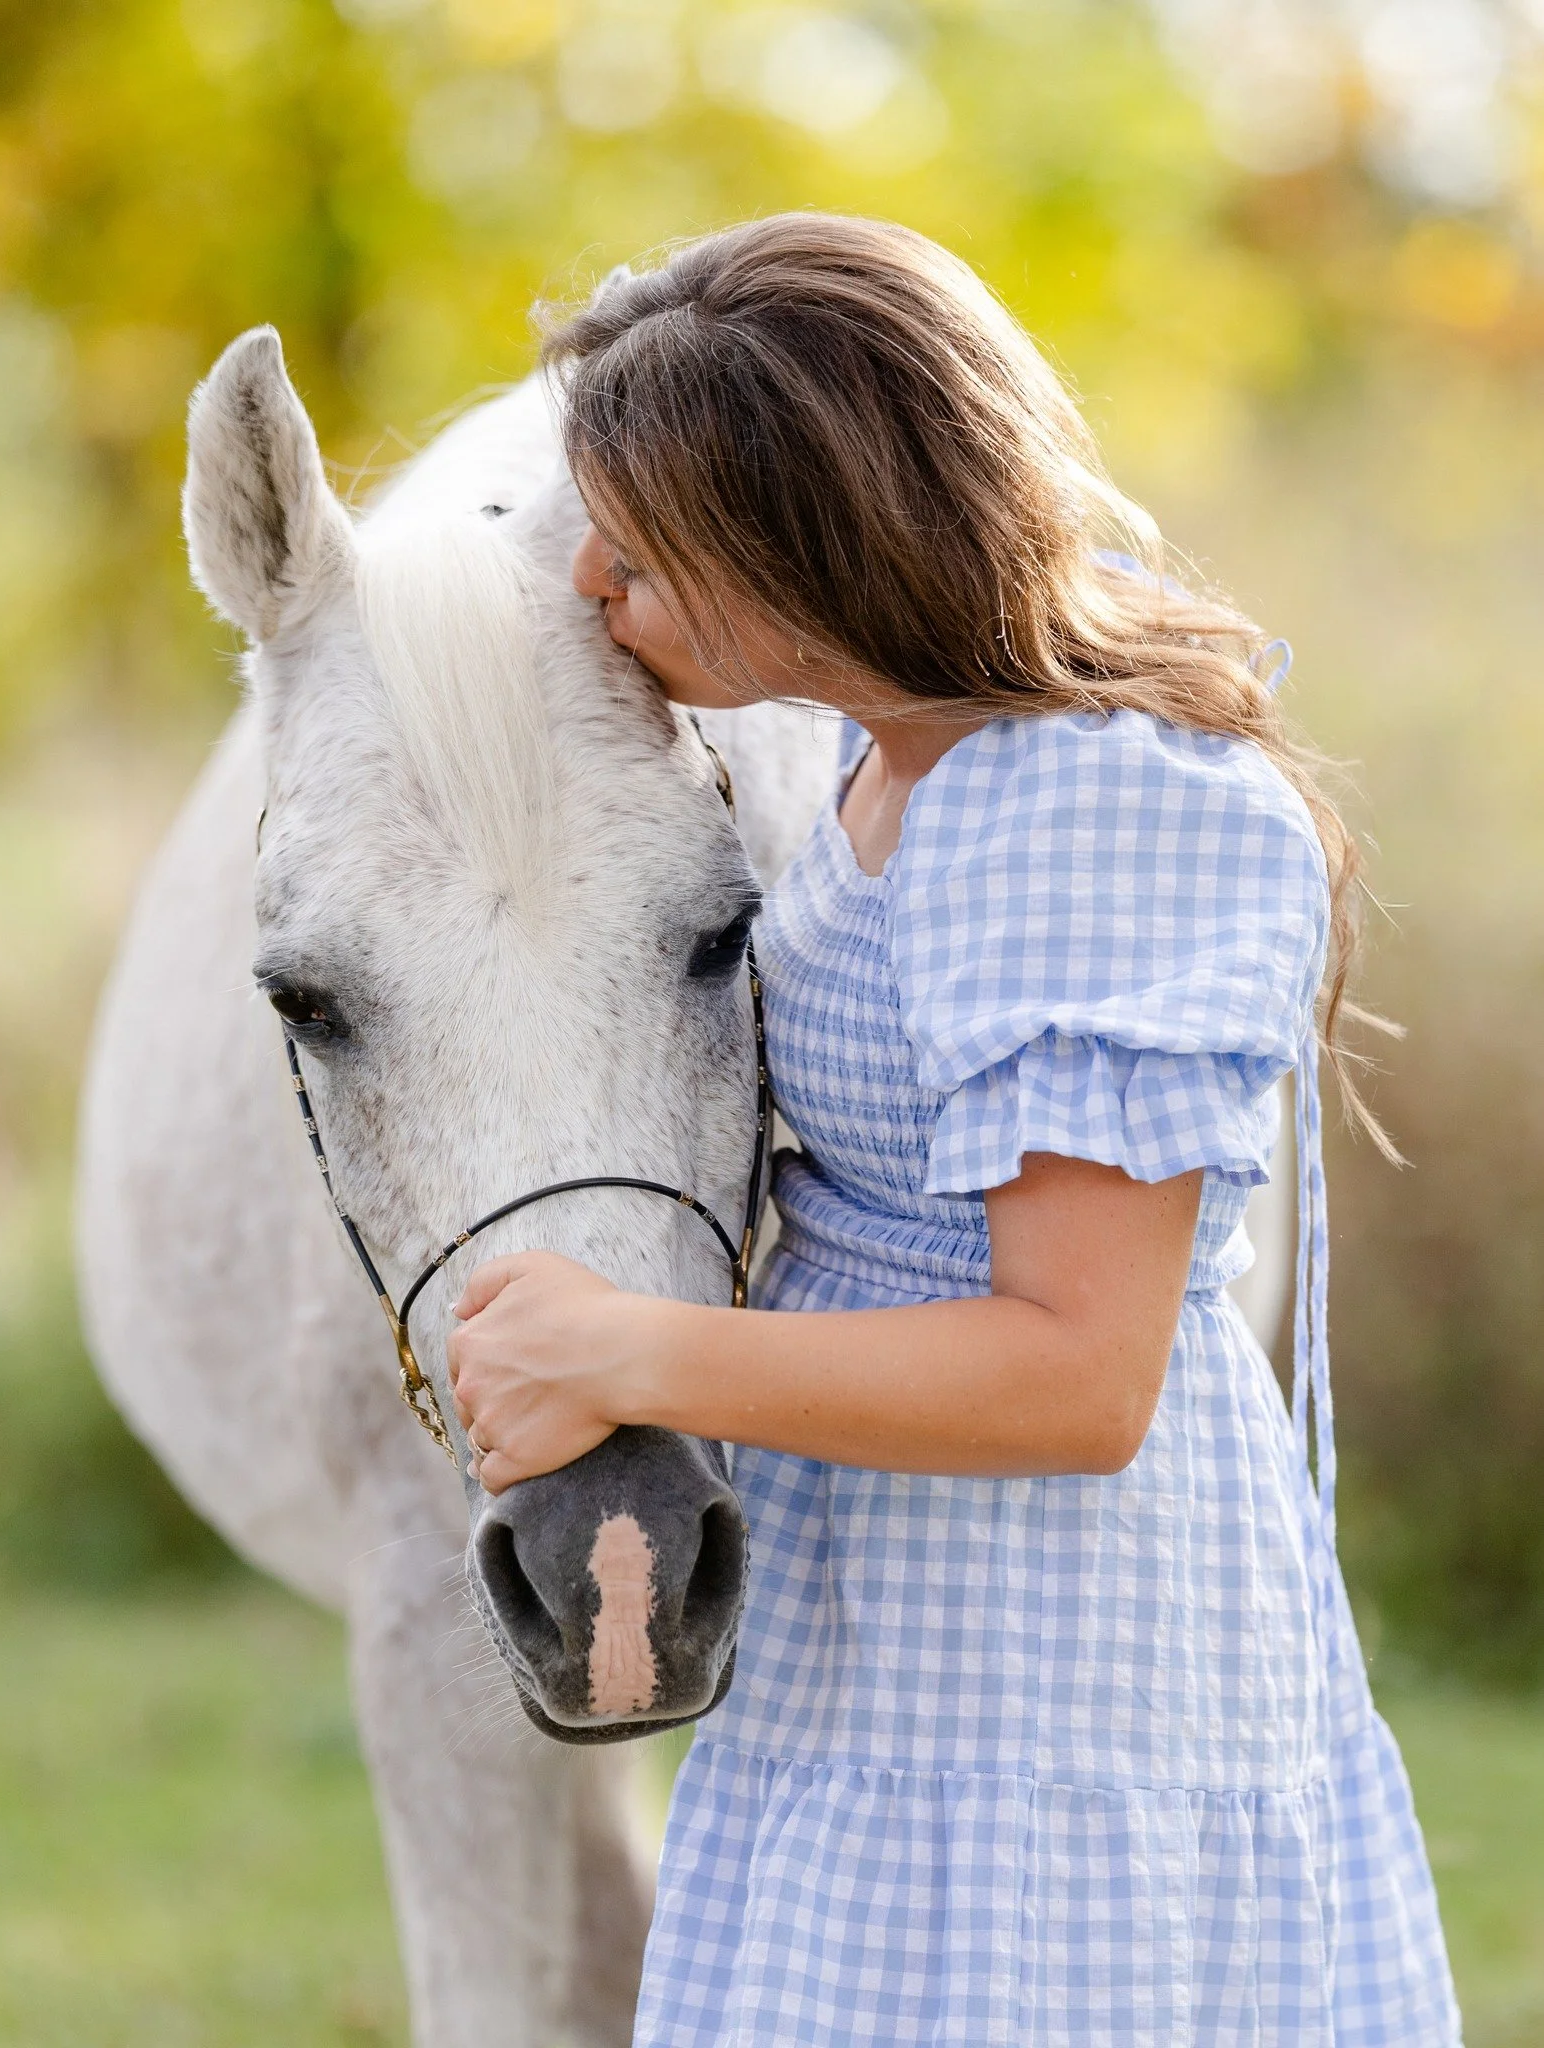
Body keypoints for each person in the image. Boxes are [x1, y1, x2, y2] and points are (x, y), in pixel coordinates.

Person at [445, 214, 1460, 2045]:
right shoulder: (881, 754)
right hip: (893, 1588)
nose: (590, 577)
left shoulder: (1077, 807)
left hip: (1041, 1636)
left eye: (646, 546)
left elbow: (1081, 1379)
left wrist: (627, 1349)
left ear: (806, 551)